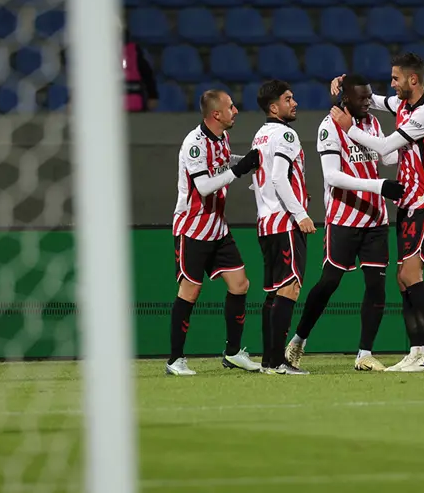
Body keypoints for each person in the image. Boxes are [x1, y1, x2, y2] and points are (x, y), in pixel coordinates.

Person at [329, 53, 424, 372]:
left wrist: (348, 126)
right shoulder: (403, 104)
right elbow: (377, 101)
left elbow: (384, 148)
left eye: (395, 79)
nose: (391, 85)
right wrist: (347, 86)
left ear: (413, 79)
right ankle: (418, 349)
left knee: (410, 275)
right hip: (408, 201)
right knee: (403, 279)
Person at [284, 75, 404, 372]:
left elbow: (386, 158)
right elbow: (333, 177)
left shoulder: (371, 123)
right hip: (344, 219)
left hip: (376, 219)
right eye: (362, 99)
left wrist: (405, 142)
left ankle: (364, 354)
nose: (367, 103)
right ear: (345, 99)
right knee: (329, 283)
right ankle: (298, 341)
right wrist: (380, 186)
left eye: (369, 97)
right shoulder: (329, 126)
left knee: (377, 286)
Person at [166, 89, 261, 376]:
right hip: (192, 227)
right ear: (216, 114)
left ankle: (232, 353)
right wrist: (240, 169)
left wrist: (249, 159)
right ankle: (175, 360)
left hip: (217, 228)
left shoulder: (221, 138)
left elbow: (222, 159)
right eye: (231, 107)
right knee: (190, 292)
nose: (236, 111)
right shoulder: (194, 144)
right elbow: (204, 186)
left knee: (240, 284)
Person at [250, 80, 315, 375]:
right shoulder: (287, 134)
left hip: (266, 221)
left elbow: (263, 180)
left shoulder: (260, 136)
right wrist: (300, 213)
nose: (295, 102)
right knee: (289, 288)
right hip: (285, 222)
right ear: (274, 107)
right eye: (289, 99)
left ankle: (268, 361)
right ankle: (278, 362)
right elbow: (278, 178)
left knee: (275, 292)